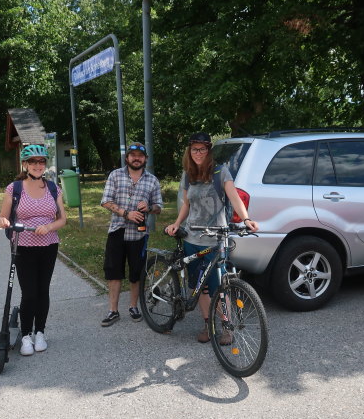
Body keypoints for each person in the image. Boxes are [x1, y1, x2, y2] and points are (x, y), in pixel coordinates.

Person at [165, 132, 259, 343]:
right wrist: (177, 224)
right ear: (190, 151)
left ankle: (227, 328)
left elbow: (234, 198)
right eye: (194, 149)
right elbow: (187, 205)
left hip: (216, 238)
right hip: (192, 237)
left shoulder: (220, 172)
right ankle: (207, 325)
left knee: (220, 287)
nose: (198, 153)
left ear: (209, 151)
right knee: (202, 287)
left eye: (202, 149)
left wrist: (246, 219)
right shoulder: (188, 174)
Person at [0, 144, 67, 356]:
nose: (38, 165)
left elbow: (62, 219)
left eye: (41, 161)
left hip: (49, 245)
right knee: (29, 292)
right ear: (25, 164)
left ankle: (40, 332)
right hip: (22, 245)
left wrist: (49, 227)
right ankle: (26, 334)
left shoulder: (54, 188)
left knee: (43, 290)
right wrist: (1, 221)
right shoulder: (14, 188)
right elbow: (3, 216)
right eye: (33, 162)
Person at [100, 142, 163, 327]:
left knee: (136, 273)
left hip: (139, 234)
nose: (137, 158)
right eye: (133, 155)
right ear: (127, 158)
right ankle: (113, 310)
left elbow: (159, 207)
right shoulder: (115, 175)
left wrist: (149, 208)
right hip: (117, 230)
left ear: (145, 159)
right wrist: (126, 213)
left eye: (140, 156)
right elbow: (105, 201)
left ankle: (134, 307)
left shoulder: (152, 180)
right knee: (114, 272)